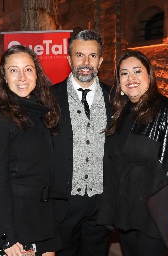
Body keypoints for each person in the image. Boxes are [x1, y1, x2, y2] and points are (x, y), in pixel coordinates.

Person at [97, 50, 168, 255]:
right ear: (119, 81)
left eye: (137, 71)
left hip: (154, 208)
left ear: (149, 76)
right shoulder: (121, 112)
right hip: (126, 207)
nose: (131, 78)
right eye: (124, 73)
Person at [0, 45, 62, 256]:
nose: (22, 77)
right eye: (14, 70)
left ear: (37, 74)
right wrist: (7, 236)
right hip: (15, 220)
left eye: (28, 69)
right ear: (4, 78)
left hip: (43, 216)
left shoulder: (40, 112)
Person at [52, 30, 112, 256]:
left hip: (102, 203)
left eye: (92, 56)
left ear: (101, 60)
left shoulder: (115, 98)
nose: (86, 63)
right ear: (69, 59)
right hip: (64, 202)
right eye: (79, 55)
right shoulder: (50, 98)